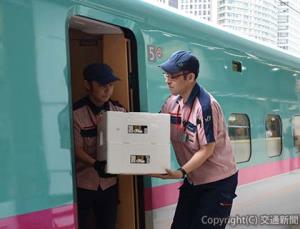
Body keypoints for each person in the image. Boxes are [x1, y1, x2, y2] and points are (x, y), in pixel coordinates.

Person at [157, 50, 238, 229]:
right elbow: (156, 127)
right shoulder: (171, 102)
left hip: (217, 183)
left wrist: (180, 172)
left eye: (173, 76)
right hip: (194, 179)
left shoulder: (205, 106)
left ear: (190, 77)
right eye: (166, 74)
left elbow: (207, 149)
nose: (167, 80)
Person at [73, 63, 126, 229]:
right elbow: (77, 149)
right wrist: (95, 164)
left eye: (110, 85)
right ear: (87, 85)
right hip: (83, 184)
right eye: (102, 85)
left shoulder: (120, 111)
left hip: (109, 184)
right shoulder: (75, 113)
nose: (107, 90)